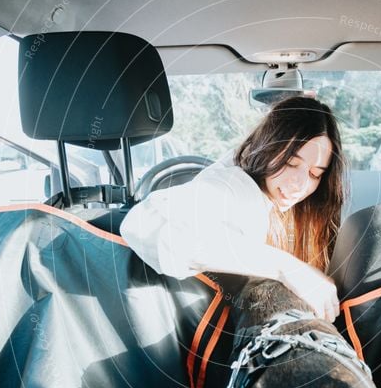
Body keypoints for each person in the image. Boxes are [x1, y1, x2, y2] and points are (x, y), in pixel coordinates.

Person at [120, 96, 346, 322]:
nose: (300, 184)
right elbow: (149, 223)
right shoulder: (236, 187)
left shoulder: (298, 204)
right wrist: (285, 267)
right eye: (290, 163)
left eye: (315, 173)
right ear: (268, 146)